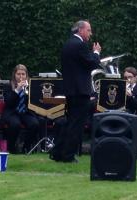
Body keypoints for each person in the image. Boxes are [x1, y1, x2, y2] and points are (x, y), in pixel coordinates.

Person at [50, 20, 101, 162]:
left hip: (71, 90)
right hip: (80, 91)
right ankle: (67, 155)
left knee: (70, 122)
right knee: (76, 125)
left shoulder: (68, 44)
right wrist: (96, 53)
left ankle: (58, 152)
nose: (90, 34)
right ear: (81, 30)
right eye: (89, 30)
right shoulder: (79, 45)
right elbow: (92, 63)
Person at [1, 64, 41, 153]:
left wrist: (27, 91)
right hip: (12, 112)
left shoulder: (30, 86)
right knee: (15, 124)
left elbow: (34, 102)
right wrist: (17, 90)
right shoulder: (8, 86)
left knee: (34, 124)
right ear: (14, 75)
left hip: (25, 112)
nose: (21, 76)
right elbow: (9, 102)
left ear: (26, 75)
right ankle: (11, 147)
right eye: (18, 74)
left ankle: (26, 148)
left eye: (23, 74)